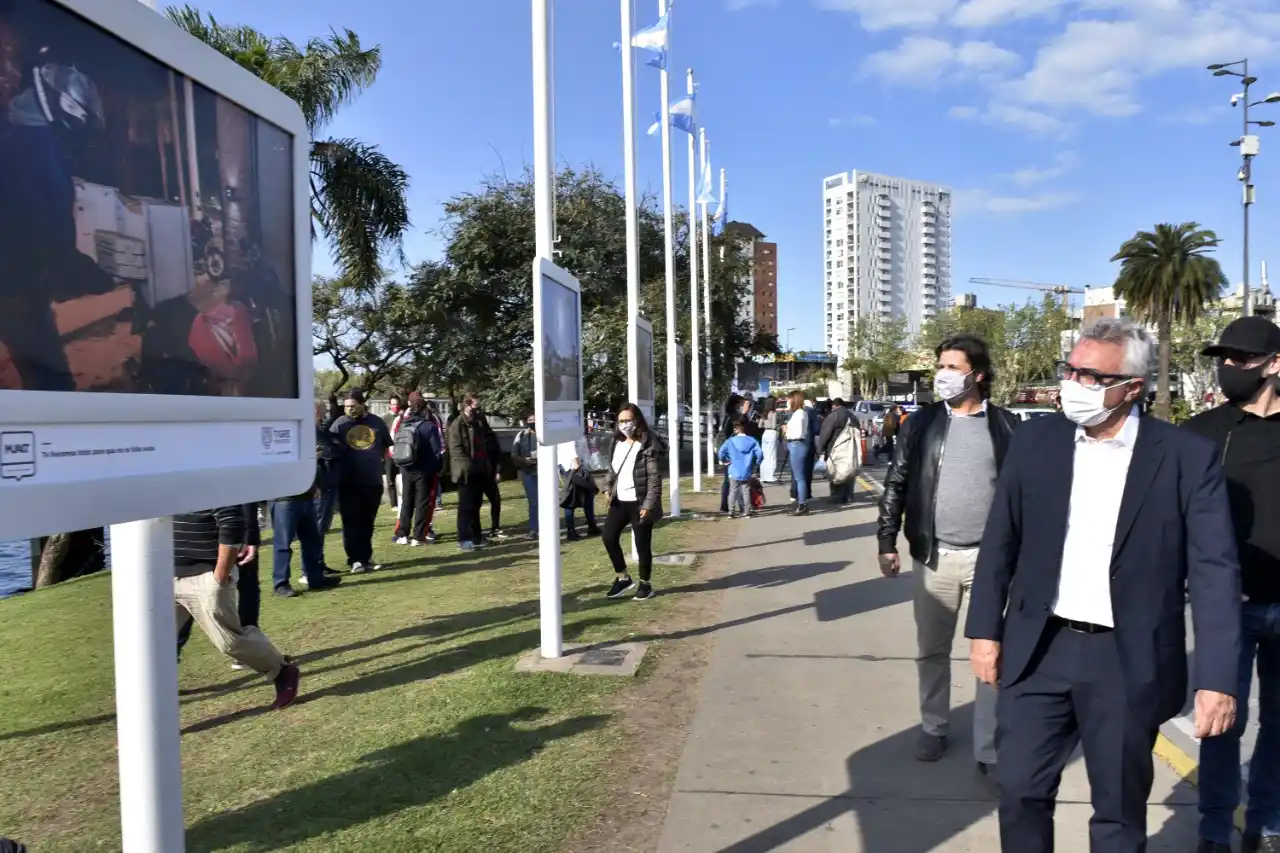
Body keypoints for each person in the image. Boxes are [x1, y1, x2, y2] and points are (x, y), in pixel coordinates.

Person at [965, 317, 1242, 853]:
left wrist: (1217, 679)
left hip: (1125, 658)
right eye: (1070, 369)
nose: (1074, 383)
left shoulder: (1184, 457)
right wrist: (984, 631)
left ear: (1131, 388)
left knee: (1117, 811)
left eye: (1091, 376)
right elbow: (1001, 538)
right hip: (1038, 650)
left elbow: (1214, 571)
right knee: (1019, 790)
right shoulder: (1035, 440)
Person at [876, 335, 1018, 772]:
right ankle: (934, 724)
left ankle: (989, 749)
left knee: (991, 654)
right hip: (934, 558)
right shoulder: (920, 424)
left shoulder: (1008, 425)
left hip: (990, 564)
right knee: (932, 650)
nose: (943, 375)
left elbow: (1024, 495)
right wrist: (886, 541)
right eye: (941, 365)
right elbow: (896, 483)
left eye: (953, 367)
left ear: (978, 375)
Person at [1185, 315, 1280, 853]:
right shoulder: (1201, 434)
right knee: (1220, 721)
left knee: (1279, 726)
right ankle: (1214, 828)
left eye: (1240, 360)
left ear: (1274, 364)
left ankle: (1266, 822)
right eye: (1222, 360)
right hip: (1229, 610)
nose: (1228, 369)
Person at [0, 62, 115, 392]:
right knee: (52, 384)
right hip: (15, 290)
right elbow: (46, 232)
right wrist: (92, 275)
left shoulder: (20, 139)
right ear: (67, 108)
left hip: (17, 285)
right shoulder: (38, 149)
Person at [173, 505, 300, 708]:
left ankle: (280, 668)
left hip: (205, 573)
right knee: (150, 648)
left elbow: (231, 521)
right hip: (162, 574)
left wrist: (220, 576)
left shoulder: (212, 479)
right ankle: (141, 726)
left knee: (229, 641)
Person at [177, 503, 266, 669]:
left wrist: (251, 538)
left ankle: (250, 653)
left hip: (231, 537)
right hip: (195, 545)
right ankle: (169, 657)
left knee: (246, 589)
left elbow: (246, 500)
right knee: (186, 601)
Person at [601, 404, 665, 601]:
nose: (624, 425)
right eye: (621, 421)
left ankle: (645, 584)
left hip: (639, 502)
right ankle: (623, 577)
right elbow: (613, 470)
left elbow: (654, 480)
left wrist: (647, 505)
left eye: (628, 420)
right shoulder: (617, 443)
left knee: (641, 545)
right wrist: (606, 487)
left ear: (637, 420)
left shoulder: (647, 445)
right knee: (608, 537)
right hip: (620, 501)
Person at [269, 438, 342, 596]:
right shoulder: (274, 442)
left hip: (305, 497)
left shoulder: (299, 437)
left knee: (312, 540)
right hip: (284, 499)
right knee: (283, 543)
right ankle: (281, 583)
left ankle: (315, 578)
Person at [330, 389, 392, 573]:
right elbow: (330, 451)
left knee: (367, 522)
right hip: (348, 483)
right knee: (351, 523)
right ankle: (354, 560)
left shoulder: (376, 422)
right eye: (347, 406)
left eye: (353, 406)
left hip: (372, 482)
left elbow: (385, 448)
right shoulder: (339, 425)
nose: (350, 410)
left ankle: (366, 557)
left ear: (363, 404)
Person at [392, 391, 446, 547]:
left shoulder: (403, 424)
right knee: (422, 503)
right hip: (423, 470)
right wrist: (438, 467)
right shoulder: (429, 427)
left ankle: (402, 534)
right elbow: (437, 450)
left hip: (406, 468)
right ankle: (418, 536)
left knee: (406, 502)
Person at [447, 393, 491, 552]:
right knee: (465, 507)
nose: (477, 410)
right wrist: (469, 467)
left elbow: (483, 446)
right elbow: (456, 450)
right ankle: (463, 539)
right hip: (465, 474)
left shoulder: (478, 423)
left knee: (476, 505)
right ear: (466, 406)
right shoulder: (457, 424)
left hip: (479, 471)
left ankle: (476, 537)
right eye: (474, 407)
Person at [559, 427, 601, 540]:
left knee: (588, 496)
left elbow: (584, 448)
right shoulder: (568, 432)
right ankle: (571, 531)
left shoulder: (579, 432)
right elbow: (571, 448)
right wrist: (577, 465)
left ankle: (592, 526)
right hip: (572, 469)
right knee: (571, 500)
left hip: (582, 467)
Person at [718, 416, 763, 517]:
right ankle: (747, 511)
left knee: (733, 491)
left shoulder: (730, 441)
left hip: (733, 470)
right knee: (746, 491)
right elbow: (760, 453)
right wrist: (757, 463)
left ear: (736, 429)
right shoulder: (752, 441)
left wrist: (724, 460)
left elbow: (721, 452)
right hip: (746, 470)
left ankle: (731, 511)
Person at [817, 398, 859, 504]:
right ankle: (849, 495)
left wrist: (820, 449)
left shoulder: (833, 416)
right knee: (849, 471)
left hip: (835, 448)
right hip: (850, 449)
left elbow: (825, 434)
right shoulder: (852, 416)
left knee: (835, 472)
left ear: (834, 406)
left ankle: (836, 496)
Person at [475, 405, 507, 540]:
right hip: (477, 474)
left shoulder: (490, 437)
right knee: (476, 503)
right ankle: (477, 530)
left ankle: (495, 526)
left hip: (490, 473)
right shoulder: (473, 437)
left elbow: (498, 455)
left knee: (496, 501)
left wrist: (498, 471)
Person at [784, 390, 814, 515]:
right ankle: (802, 503)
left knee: (799, 477)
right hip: (796, 444)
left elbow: (797, 433)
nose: (787, 401)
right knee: (799, 476)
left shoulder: (800, 414)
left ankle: (802, 504)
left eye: (789, 399)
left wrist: (786, 430)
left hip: (797, 444)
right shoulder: (799, 413)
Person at [513, 411, 540, 539]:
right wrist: (524, 460)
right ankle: (534, 529)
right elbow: (514, 455)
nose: (533, 422)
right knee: (533, 501)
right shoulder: (521, 435)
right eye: (530, 420)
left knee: (547, 501)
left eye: (535, 419)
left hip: (544, 473)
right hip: (529, 473)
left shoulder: (545, 434)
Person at [382, 394, 403, 509]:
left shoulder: (403, 417)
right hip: (389, 452)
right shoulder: (385, 419)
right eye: (393, 404)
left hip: (402, 451)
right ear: (390, 405)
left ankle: (405, 500)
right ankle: (393, 503)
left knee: (404, 477)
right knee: (391, 479)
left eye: (397, 404)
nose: (396, 406)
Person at [759, 397, 782, 482]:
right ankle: (770, 476)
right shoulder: (773, 413)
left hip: (765, 433)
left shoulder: (764, 413)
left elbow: (759, 425)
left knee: (765, 456)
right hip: (772, 433)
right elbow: (773, 426)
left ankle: (763, 476)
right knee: (771, 455)